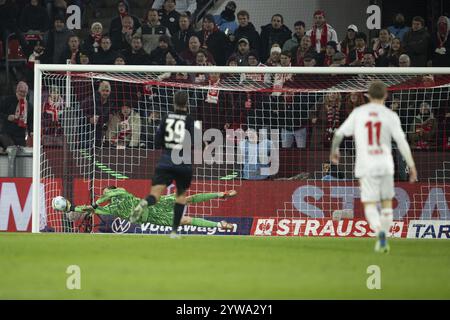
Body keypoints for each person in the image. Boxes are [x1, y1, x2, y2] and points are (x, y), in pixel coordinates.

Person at [330, 81, 417, 253]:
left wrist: (334, 150)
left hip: (365, 164)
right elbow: (401, 142)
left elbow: (339, 133)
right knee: (386, 204)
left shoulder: (359, 113)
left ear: (367, 96)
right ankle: (384, 233)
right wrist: (412, 165)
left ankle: (379, 233)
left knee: (369, 204)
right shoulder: (390, 115)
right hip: (384, 163)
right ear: (385, 95)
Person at [132, 91, 199, 238]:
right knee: (180, 197)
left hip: (165, 161)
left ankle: (143, 203)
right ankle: (174, 231)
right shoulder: (190, 120)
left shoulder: (165, 118)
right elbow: (195, 143)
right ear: (186, 103)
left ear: (173, 102)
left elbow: (156, 142)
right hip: (183, 163)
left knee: (154, 196)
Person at [58, 186, 236, 231]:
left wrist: (96, 202)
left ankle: (220, 194)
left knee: (186, 198)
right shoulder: (110, 209)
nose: (104, 191)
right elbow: (89, 210)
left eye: (106, 189)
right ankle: (220, 225)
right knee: (185, 221)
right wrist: (72, 207)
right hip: (151, 218)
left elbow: (106, 196)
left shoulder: (119, 192)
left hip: (152, 204)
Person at [0, 81, 33, 151]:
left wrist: (31, 131)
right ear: (17, 90)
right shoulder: (7, 100)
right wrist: (7, 117)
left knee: (20, 155)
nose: (23, 94)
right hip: (7, 133)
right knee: (11, 151)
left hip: (20, 135)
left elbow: (30, 121)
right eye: (21, 91)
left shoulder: (29, 106)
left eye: (25, 92)